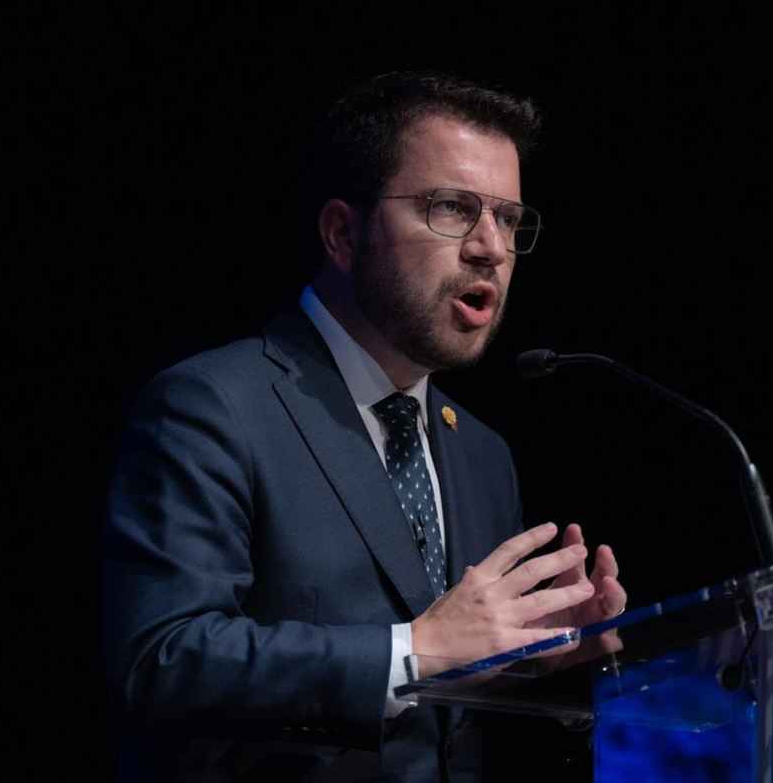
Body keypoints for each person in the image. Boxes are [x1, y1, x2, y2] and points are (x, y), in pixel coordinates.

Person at [101, 71, 626, 781]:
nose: (491, 248)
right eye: (451, 208)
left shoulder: (482, 454)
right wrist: (413, 649)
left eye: (507, 218)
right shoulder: (213, 405)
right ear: (344, 233)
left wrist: (533, 661)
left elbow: (450, 714)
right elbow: (162, 660)